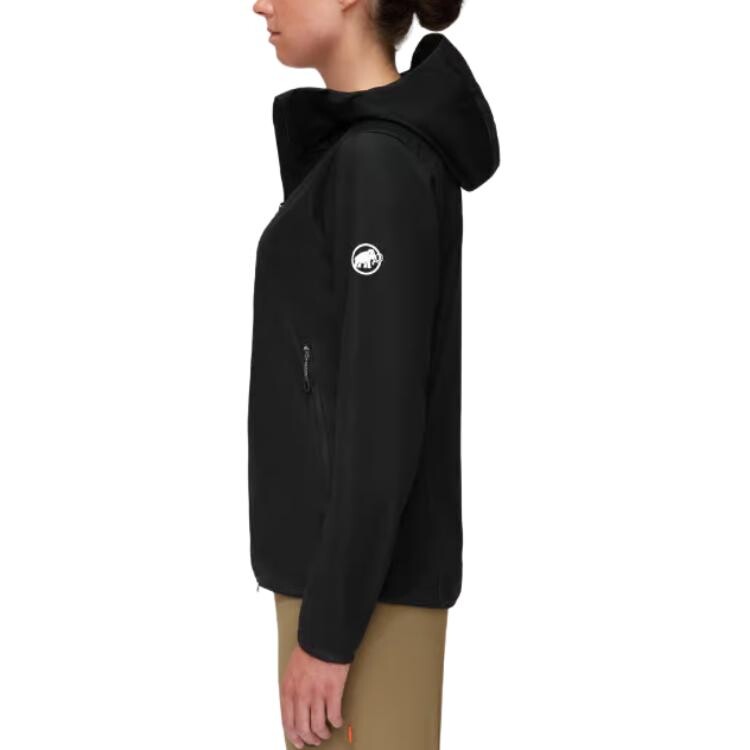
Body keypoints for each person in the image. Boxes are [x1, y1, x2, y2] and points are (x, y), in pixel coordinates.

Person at [248, 0, 499, 746]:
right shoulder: (361, 156)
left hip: (360, 602)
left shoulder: (379, 163)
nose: (261, 4)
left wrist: (329, 632)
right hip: (345, 587)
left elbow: (382, 415)